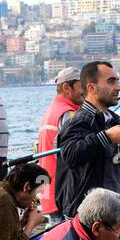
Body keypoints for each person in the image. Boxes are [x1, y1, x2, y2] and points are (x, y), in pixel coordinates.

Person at [55, 61, 120, 219]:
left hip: (114, 214)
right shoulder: (80, 120)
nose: (118, 87)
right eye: (111, 81)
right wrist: (106, 137)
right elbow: (70, 155)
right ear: (92, 88)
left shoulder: (113, 121)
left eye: (117, 81)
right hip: (89, 217)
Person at [36, 67, 84, 222]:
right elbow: (76, 154)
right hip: (65, 192)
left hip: (50, 192)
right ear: (66, 88)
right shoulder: (68, 114)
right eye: (81, 85)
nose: (85, 90)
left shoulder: (51, 111)